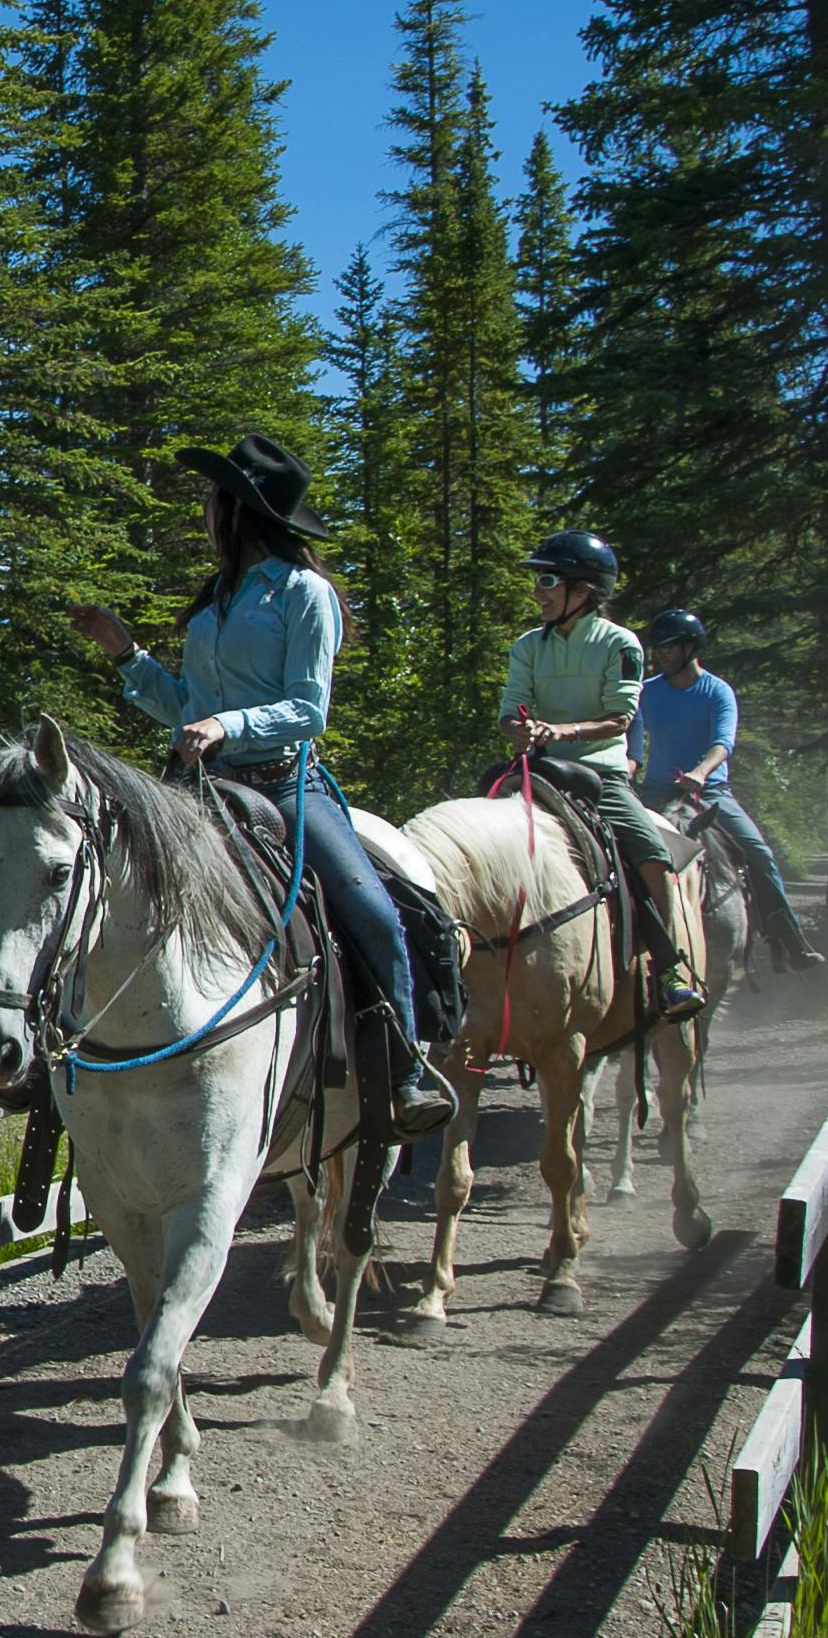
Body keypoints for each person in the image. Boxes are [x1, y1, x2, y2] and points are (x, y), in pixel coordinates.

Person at [66, 433, 455, 1139]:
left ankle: (405, 1067)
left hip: (283, 786)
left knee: (371, 908)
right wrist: (125, 654)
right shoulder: (216, 599)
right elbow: (186, 706)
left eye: (215, 498)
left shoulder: (304, 596)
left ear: (241, 510)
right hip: (200, 789)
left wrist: (227, 724)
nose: (205, 510)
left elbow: (308, 708)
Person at [500, 532, 707, 1019]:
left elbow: (621, 717)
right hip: (537, 770)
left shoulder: (621, 644)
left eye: (548, 580)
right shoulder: (528, 645)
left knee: (653, 856)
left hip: (601, 777)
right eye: (539, 580)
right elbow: (510, 710)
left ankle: (669, 970)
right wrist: (519, 729)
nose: (538, 591)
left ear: (584, 590)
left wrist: (559, 731)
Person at [632, 609, 824, 969]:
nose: (660, 654)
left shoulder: (717, 691)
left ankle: (787, 936)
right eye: (657, 648)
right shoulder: (646, 692)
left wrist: (701, 772)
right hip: (656, 793)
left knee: (758, 853)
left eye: (669, 647)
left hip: (710, 794)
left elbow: (723, 742)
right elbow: (630, 734)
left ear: (691, 648)